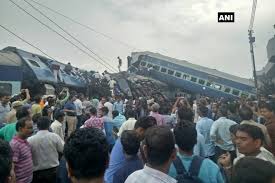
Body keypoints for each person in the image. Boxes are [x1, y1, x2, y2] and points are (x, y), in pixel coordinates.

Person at [104, 116, 156, 183]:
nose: (149, 135)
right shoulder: (127, 142)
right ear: (141, 130)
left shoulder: (128, 140)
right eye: (149, 132)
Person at [28, 116, 64, 183]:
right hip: (53, 171)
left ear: (37, 126)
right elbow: (63, 149)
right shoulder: (54, 136)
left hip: (36, 173)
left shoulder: (30, 140)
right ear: (49, 125)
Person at [10, 117, 33, 183]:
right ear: (20, 129)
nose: (32, 130)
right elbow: (12, 166)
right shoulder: (15, 144)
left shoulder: (25, 141)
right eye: (29, 128)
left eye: (32, 127)